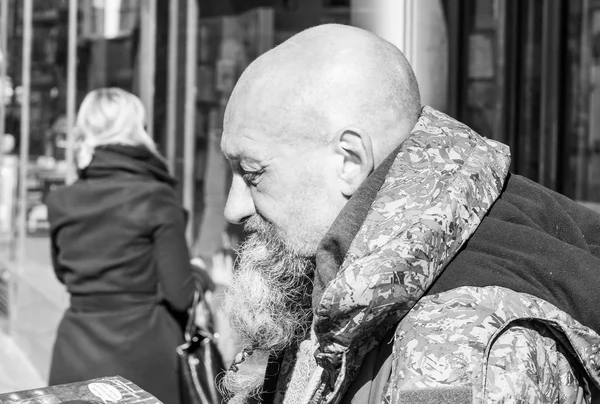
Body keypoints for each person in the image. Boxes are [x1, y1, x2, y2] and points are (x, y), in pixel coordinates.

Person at [218, 24, 600, 404]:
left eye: (253, 174)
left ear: (350, 161)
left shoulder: (459, 344)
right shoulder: (340, 273)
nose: (233, 208)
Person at [47, 88, 195, 404]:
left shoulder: (62, 200)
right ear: (136, 127)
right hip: (145, 355)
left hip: (75, 350)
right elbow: (180, 296)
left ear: (85, 129)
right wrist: (202, 276)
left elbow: (64, 273)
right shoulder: (156, 195)